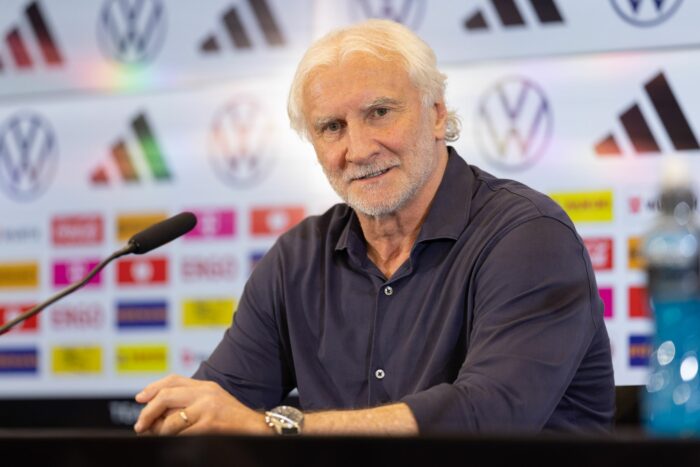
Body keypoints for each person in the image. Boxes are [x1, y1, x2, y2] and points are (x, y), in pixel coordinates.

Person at [134, 19, 615, 436]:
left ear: (436, 113)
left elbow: (490, 415)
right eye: (332, 127)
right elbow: (220, 407)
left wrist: (280, 427)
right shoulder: (297, 260)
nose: (359, 149)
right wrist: (184, 416)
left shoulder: (529, 236)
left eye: (379, 113)